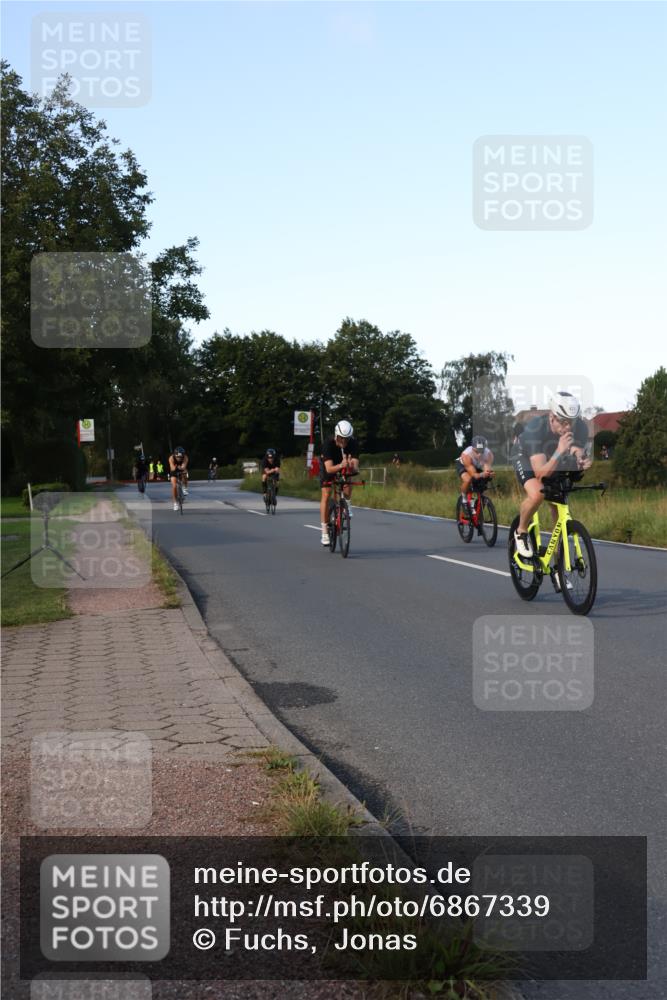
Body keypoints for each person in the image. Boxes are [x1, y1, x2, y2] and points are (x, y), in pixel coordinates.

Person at [513, 391, 591, 588]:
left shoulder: (578, 426)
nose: (568, 427)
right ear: (551, 417)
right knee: (538, 492)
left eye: (571, 423)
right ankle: (521, 530)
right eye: (563, 423)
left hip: (554, 458)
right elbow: (541, 473)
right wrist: (560, 450)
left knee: (559, 505)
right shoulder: (535, 429)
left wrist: (580, 457)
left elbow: (575, 447)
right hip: (527, 457)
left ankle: (557, 568)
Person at [319, 420, 360, 546]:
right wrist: (341, 465)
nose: (344, 442)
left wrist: (350, 467)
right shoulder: (328, 444)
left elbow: (355, 468)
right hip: (329, 464)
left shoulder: (353, 443)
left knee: (348, 479)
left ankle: (347, 503)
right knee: (326, 493)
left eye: (346, 439)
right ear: (336, 435)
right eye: (341, 438)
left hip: (344, 463)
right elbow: (329, 469)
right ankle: (325, 531)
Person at [456, 436, 494, 513]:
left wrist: (489, 473)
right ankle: (464, 499)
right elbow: (473, 474)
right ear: (472, 448)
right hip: (464, 465)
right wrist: (482, 474)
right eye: (477, 452)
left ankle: (477, 506)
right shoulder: (466, 455)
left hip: (477, 465)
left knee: (483, 483)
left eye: (481, 451)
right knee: (468, 479)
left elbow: (487, 468)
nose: (479, 454)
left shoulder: (489, 454)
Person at [169, 446, 189, 510]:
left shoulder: (185, 457)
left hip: (181, 469)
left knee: (185, 473)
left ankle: (184, 487)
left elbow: (184, 466)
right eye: (177, 457)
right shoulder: (171, 458)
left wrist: (182, 467)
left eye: (181, 457)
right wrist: (175, 467)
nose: (179, 458)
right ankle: (175, 503)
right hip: (173, 470)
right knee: (174, 486)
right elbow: (172, 467)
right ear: (175, 455)